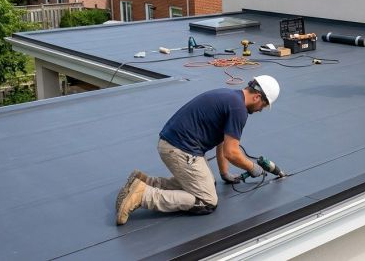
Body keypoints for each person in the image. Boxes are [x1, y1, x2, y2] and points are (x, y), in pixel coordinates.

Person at [115, 75, 281, 225]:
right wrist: (252, 168)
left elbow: (222, 143)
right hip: (180, 150)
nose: (260, 110)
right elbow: (232, 152)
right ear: (258, 97)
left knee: (208, 183)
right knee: (207, 201)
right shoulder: (239, 110)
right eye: (263, 106)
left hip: (173, 144)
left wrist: (224, 174)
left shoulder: (230, 97)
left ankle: (144, 181)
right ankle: (142, 195)